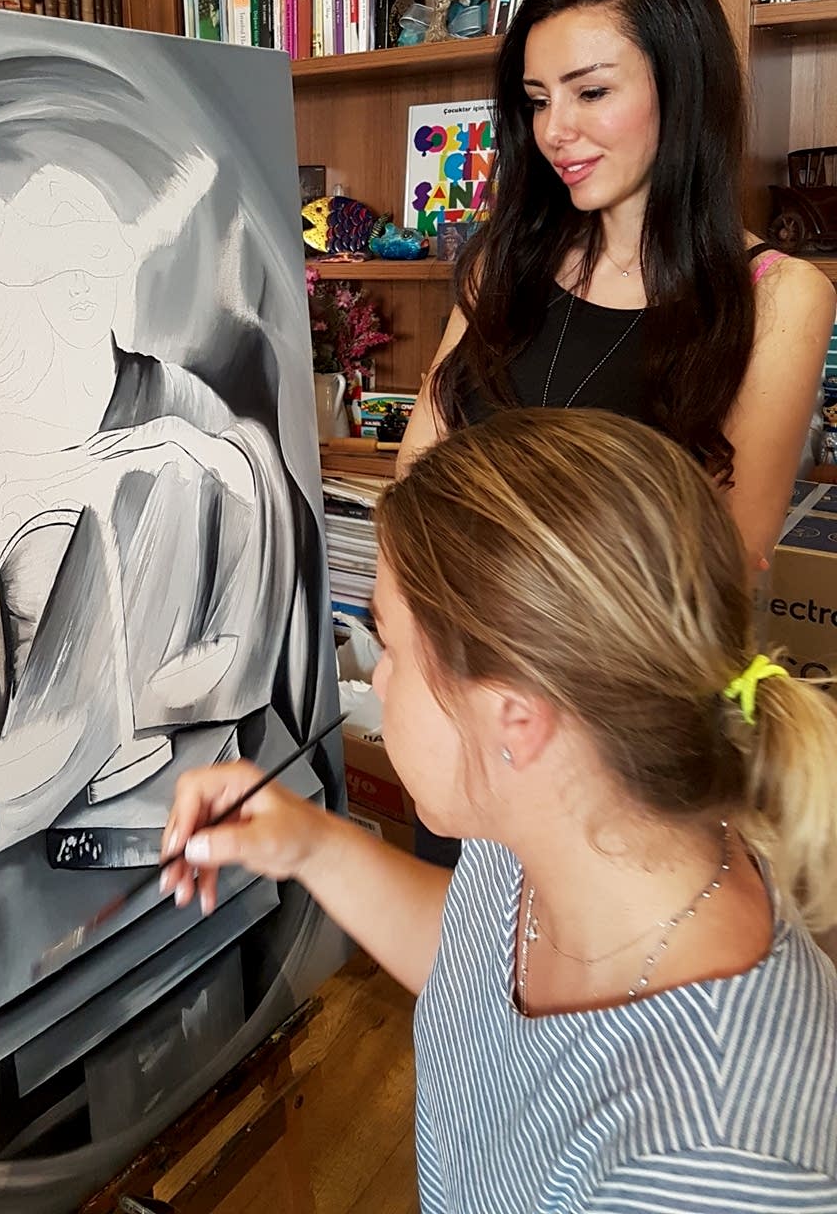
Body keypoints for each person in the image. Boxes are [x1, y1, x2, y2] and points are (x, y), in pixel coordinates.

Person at [161, 408, 837, 1214]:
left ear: (514, 715)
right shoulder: (558, 819)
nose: (377, 680)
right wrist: (310, 844)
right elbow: (472, 966)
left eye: (390, 647)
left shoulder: (711, 1167)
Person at [397, 0, 835, 866]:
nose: (555, 130)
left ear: (683, 90)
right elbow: (416, 482)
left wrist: (484, 562)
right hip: (467, 724)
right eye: (536, 100)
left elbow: (716, 566)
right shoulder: (500, 265)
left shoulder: (777, 298)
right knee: (456, 959)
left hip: (620, 768)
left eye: (590, 92)